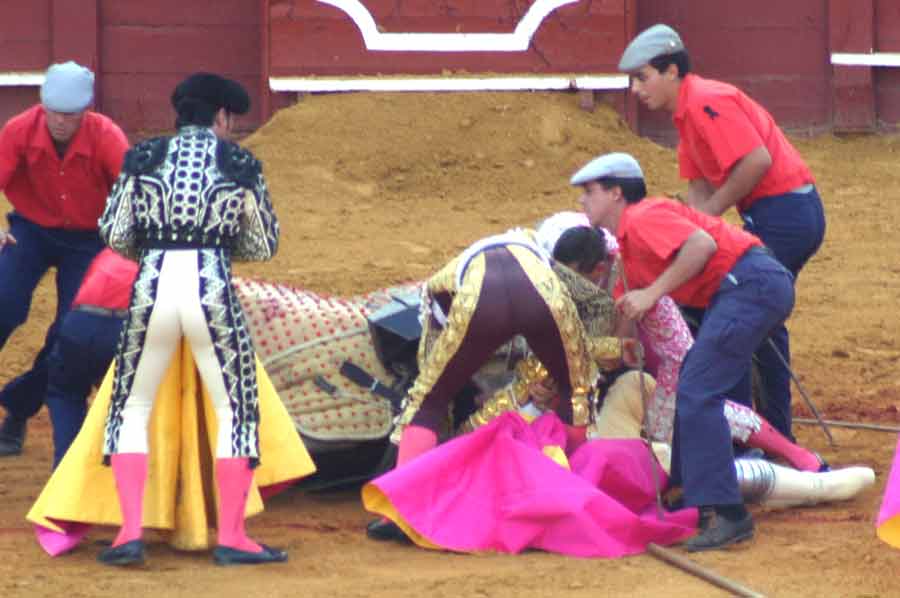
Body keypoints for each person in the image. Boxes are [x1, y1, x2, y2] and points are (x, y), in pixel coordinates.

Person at [91, 72, 292, 567]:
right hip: (212, 288)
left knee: (130, 405)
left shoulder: (142, 158)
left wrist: (155, 249)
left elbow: (114, 232)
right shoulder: (239, 163)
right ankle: (233, 537)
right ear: (221, 117)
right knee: (235, 410)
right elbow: (264, 243)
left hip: (152, 286)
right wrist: (221, 248)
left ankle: (130, 534)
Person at [572, 151, 795, 551]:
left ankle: (727, 514)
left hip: (748, 285)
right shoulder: (628, 247)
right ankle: (689, 493)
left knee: (696, 392)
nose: (582, 201)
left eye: (589, 192)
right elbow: (624, 321)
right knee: (693, 386)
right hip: (744, 288)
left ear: (616, 193)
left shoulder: (642, 217)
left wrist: (652, 293)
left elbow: (701, 245)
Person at [617, 24, 826, 440]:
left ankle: (762, 432)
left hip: (785, 213)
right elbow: (698, 189)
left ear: (672, 71)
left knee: (745, 310)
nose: (636, 90)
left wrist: (708, 216)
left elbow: (756, 161)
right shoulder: (687, 115)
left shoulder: (705, 102)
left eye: (643, 77)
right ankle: (762, 429)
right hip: (779, 211)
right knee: (753, 316)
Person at [366, 225, 641, 540]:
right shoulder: (541, 263)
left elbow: (432, 380)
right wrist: (611, 350)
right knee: (575, 392)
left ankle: (402, 513)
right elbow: (598, 305)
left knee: (427, 402)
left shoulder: (435, 291)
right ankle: (583, 491)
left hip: (477, 300)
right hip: (541, 295)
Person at [0, 61, 129, 456]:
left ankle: (18, 409)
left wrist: (120, 249)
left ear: (85, 111)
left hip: (91, 240)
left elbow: (131, 194)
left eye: (69, 115)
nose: (59, 122)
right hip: (30, 231)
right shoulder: (19, 129)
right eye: (53, 112)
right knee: (3, 302)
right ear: (42, 106)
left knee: (70, 335)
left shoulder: (107, 137)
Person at [43, 248, 138, 468]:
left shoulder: (109, 250)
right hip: (130, 330)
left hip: (80, 324)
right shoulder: (179, 254)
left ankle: (65, 468)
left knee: (66, 392)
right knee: (138, 400)